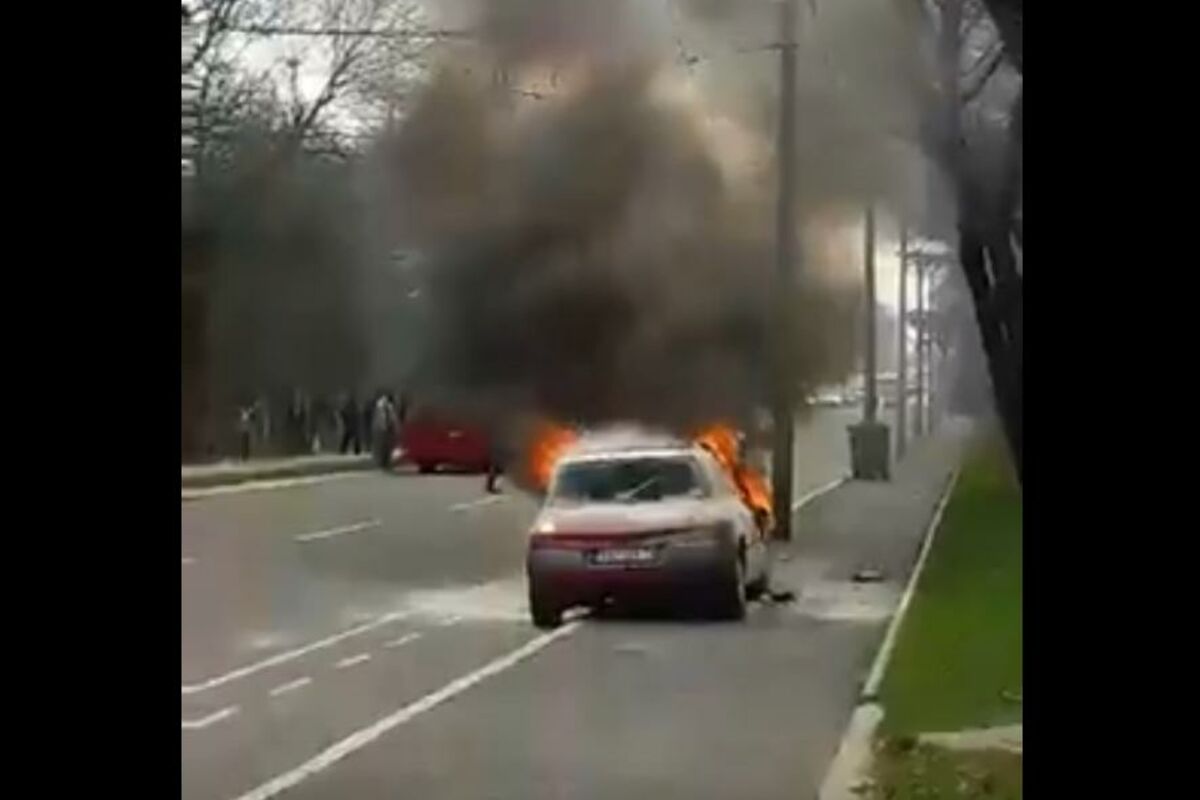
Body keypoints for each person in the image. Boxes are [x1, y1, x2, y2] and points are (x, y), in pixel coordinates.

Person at [371, 391, 398, 470]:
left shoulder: (386, 406)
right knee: (383, 446)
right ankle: (383, 462)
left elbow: (392, 418)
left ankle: (384, 462)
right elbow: (385, 418)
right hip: (382, 429)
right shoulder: (381, 406)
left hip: (385, 429)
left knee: (385, 446)